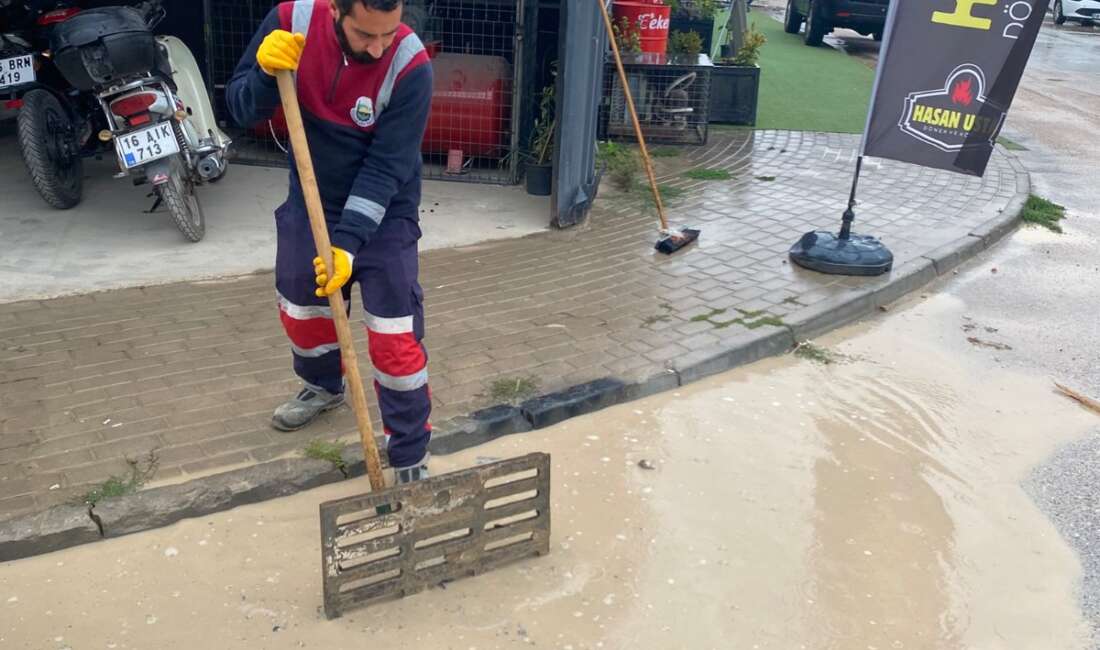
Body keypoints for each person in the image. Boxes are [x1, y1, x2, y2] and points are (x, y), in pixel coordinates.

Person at [226, 0, 434, 483]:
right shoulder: (289, 23)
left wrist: (347, 245)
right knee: (303, 306)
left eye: (389, 32)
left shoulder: (411, 65)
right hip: (312, 197)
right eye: (365, 35)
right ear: (336, 9)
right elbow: (238, 109)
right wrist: (263, 72)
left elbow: (386, 169)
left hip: (384, 214)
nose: (378, 47)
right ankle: (323, 387)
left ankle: (409, 457)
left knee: (394, 334)